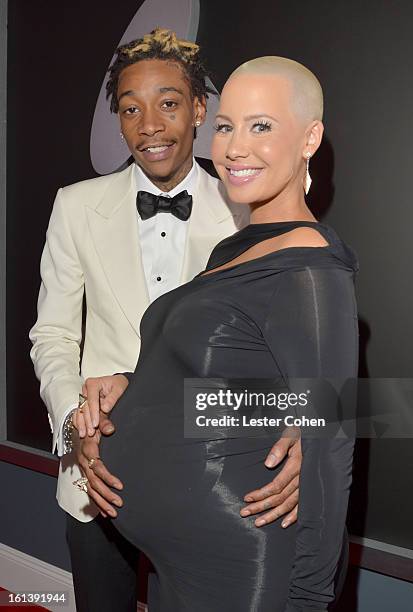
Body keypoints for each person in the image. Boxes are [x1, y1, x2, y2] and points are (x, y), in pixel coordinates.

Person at [29, 30, 302, 612]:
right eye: (131, 108)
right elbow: (53, 334)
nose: (149, 124)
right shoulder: (75, 206)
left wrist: (300, 432)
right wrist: (76, 422)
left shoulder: (249, 214)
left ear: (201, 110)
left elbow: (287, 360)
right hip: (98, 472)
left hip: (211, 474)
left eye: (169, 103)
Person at [89, 55, 359, 610]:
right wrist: (127, 386)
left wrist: (305, 598)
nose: (233, 147)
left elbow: (335, 431)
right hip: (177, 557)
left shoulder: (310, 267)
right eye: (227, 126)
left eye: (261, 126)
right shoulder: (237, 248)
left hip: (242, 564)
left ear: (310, 138)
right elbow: (223, 383)